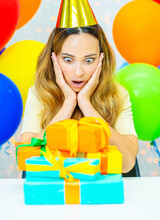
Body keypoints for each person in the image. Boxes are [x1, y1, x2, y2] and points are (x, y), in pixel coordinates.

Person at [20, 0, 138, 174]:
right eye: (68, 60)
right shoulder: (39, 93)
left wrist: (86, 104)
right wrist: (67, 104)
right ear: (54, 59)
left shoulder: (117, 94)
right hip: (54, 194)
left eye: (88, 60)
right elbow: (27, 160)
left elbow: (127, 163)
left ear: (101, 59)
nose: (78, 72)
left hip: (101, 195)